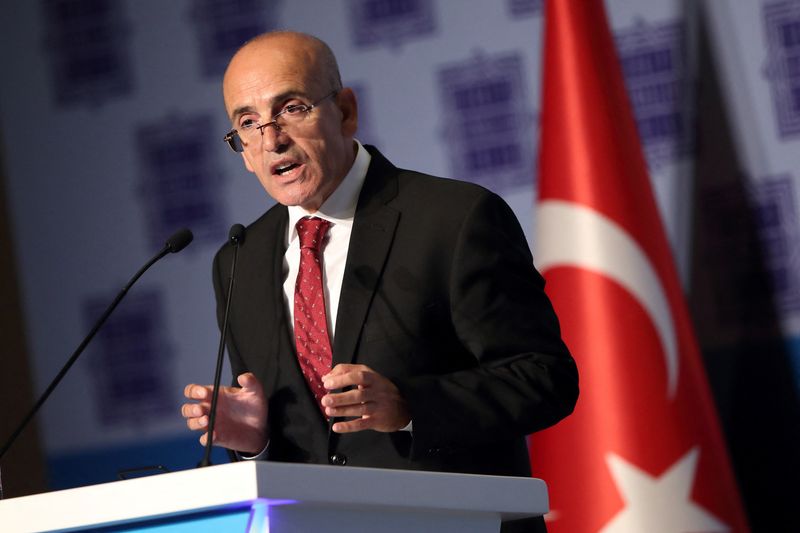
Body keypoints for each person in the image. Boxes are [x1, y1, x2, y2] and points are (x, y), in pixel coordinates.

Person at [181, 31, 578, 531]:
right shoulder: (239, 261)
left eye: (292, 108)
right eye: (248, 123)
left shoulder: (453, 219)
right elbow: (304, 448)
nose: (271, 139)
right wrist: (255, 442)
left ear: (346, 111)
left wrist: (411, 405)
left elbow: (545, 377)